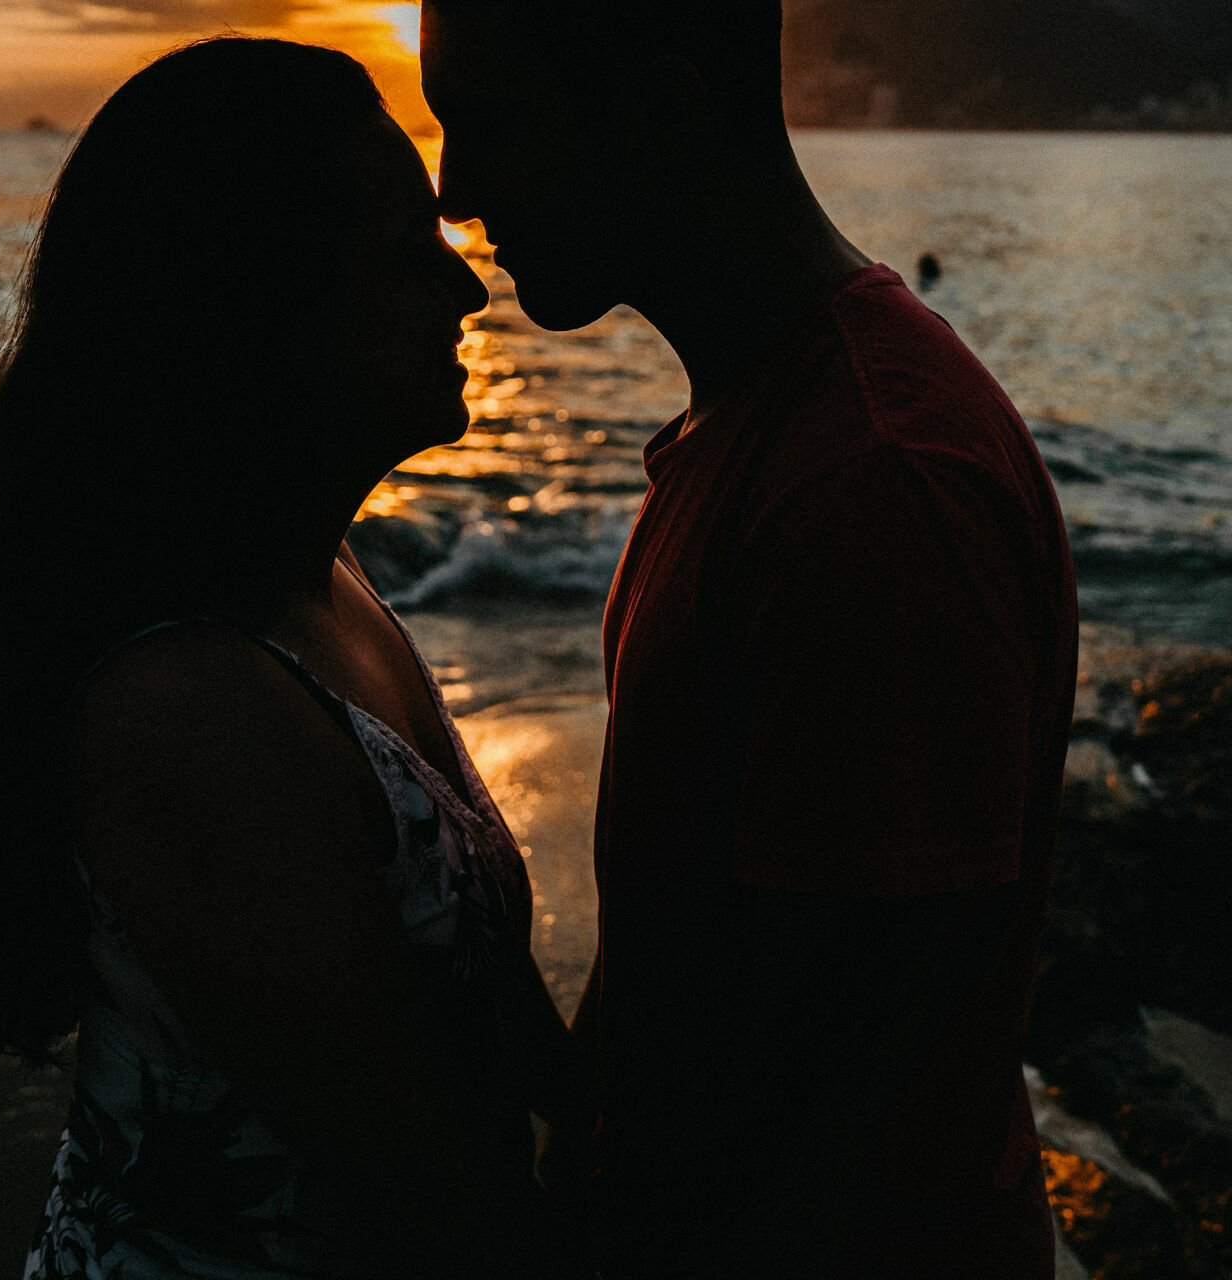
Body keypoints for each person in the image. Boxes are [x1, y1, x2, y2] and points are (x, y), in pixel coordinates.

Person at [0, 38, 590, 1280]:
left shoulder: (322, 588)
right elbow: (437, 1208)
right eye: (405, 253)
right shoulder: (190, 709)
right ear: (268, 315)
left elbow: (503, 1034)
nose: (466, 293)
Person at [421, 3, 1079, 1277]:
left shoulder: (871, 479)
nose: (454, 190)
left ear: (663, 116)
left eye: (490, 125)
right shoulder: (775, 426)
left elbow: (838, 1080)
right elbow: (712, 957)